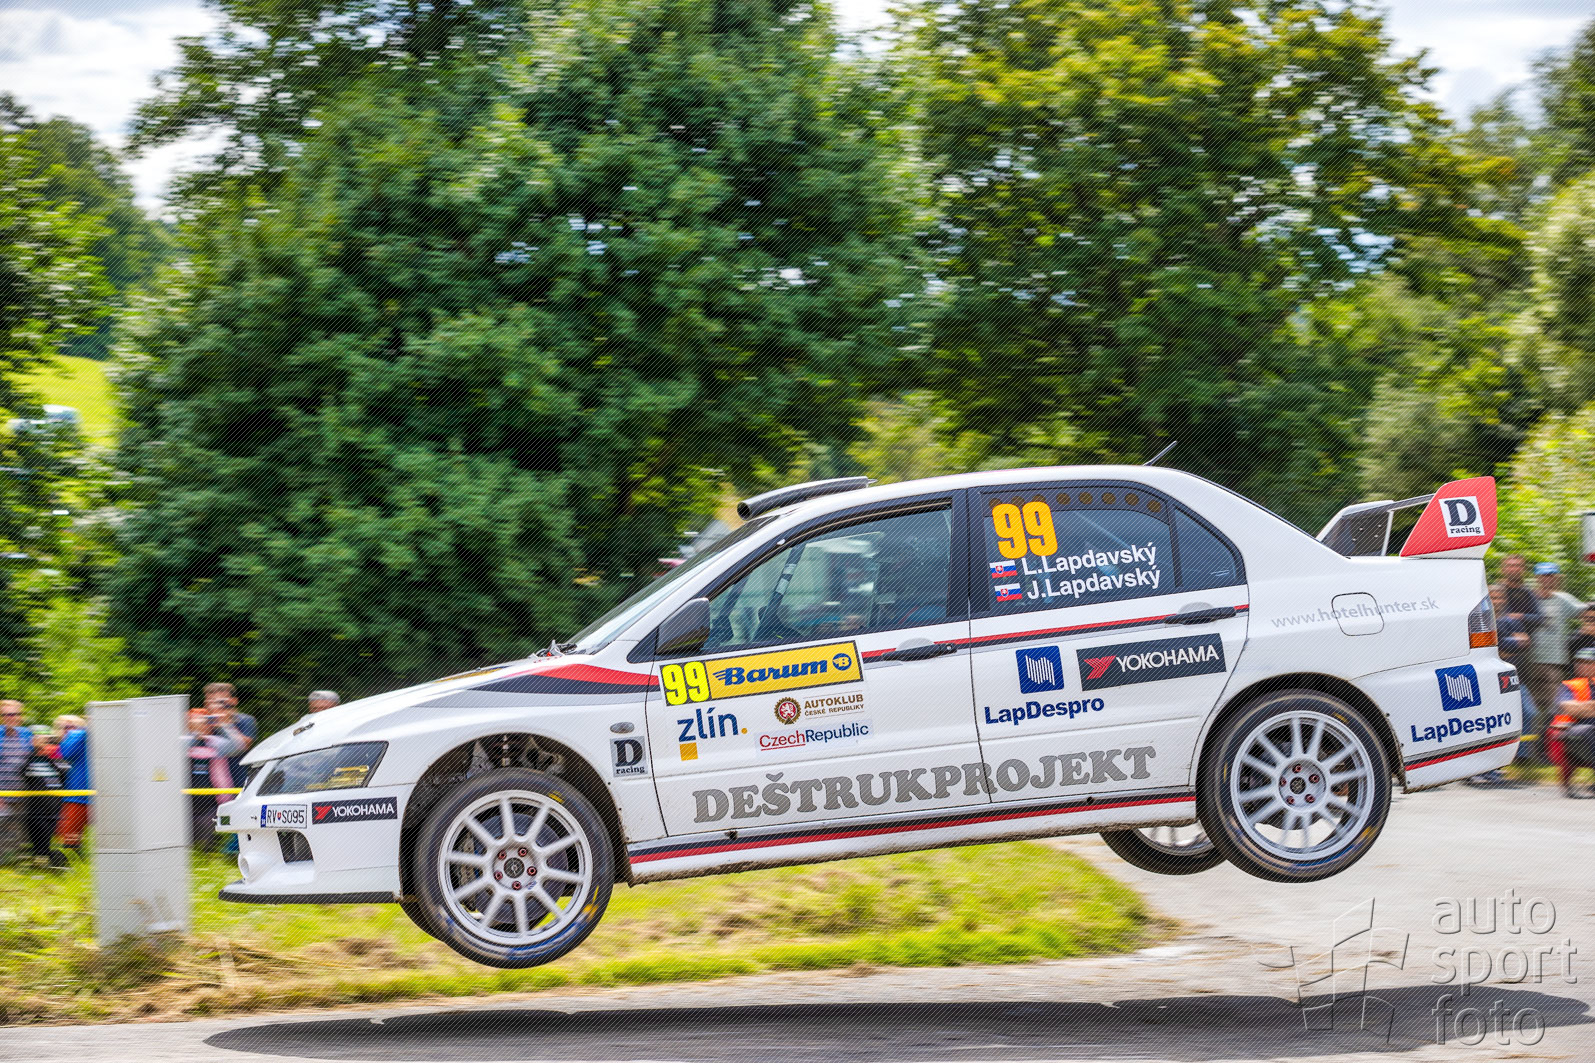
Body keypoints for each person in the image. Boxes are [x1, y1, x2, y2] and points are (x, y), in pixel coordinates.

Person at [187, 705, 246, 847]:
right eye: (196, 720)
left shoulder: (215, 743)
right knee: (189, 840)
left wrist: (223, 725)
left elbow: (238, 746)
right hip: (187, 801)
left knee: (207, 842)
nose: (201, 724)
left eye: (204, 721)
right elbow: (178, 748)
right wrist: (195, 734)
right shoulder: (185, 742)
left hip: (212, 801)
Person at [1547, 647, 1595, 797]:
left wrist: (1584, 708)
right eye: (1579, 662)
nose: (1582, 665)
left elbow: (1578, 708)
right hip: (1569, 732)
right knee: (1583, 731)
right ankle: (1567, 784)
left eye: (1588, 662)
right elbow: (1569, 707)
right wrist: (1586, 708)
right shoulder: (1570, 685)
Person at [20, 726, 66, 868]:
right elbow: (23, 771)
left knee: (47, 835)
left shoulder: (52, 761)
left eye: (47, 741)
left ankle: (44, 860)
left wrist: (49, 753)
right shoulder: (31, 760)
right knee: (39, 834)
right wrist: (36, 750)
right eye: (42, 741)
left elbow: (62, 775)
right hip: (37, 807)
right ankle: (42, 859)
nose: (45, 745)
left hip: (53, 806)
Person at [203, 682, 257, 795]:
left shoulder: (245, 720)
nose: (216, 706)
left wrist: (226, 724)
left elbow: (244, 745)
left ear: (234, 701)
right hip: (206, 787)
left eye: (221, 702)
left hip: (238, 781)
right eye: (211, 702)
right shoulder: (201, 722)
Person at [53, 715, 90, 852]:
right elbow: (66, 753)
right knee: (68, 834)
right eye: (65, 727)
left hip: (84, 795)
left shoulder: (83, 739)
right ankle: (72, 858)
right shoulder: (61, 745)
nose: (69, 730)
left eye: (73, 727)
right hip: (69, 795)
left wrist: (82, 732)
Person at [0, 701, 31, 859]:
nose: (11, 717)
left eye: (15, 714)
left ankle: (14, 859)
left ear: (21, 716)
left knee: (19, 827)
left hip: (23, 792)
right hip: (3, 793)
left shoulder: (26, 734)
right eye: (7, 714)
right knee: (3, 826)